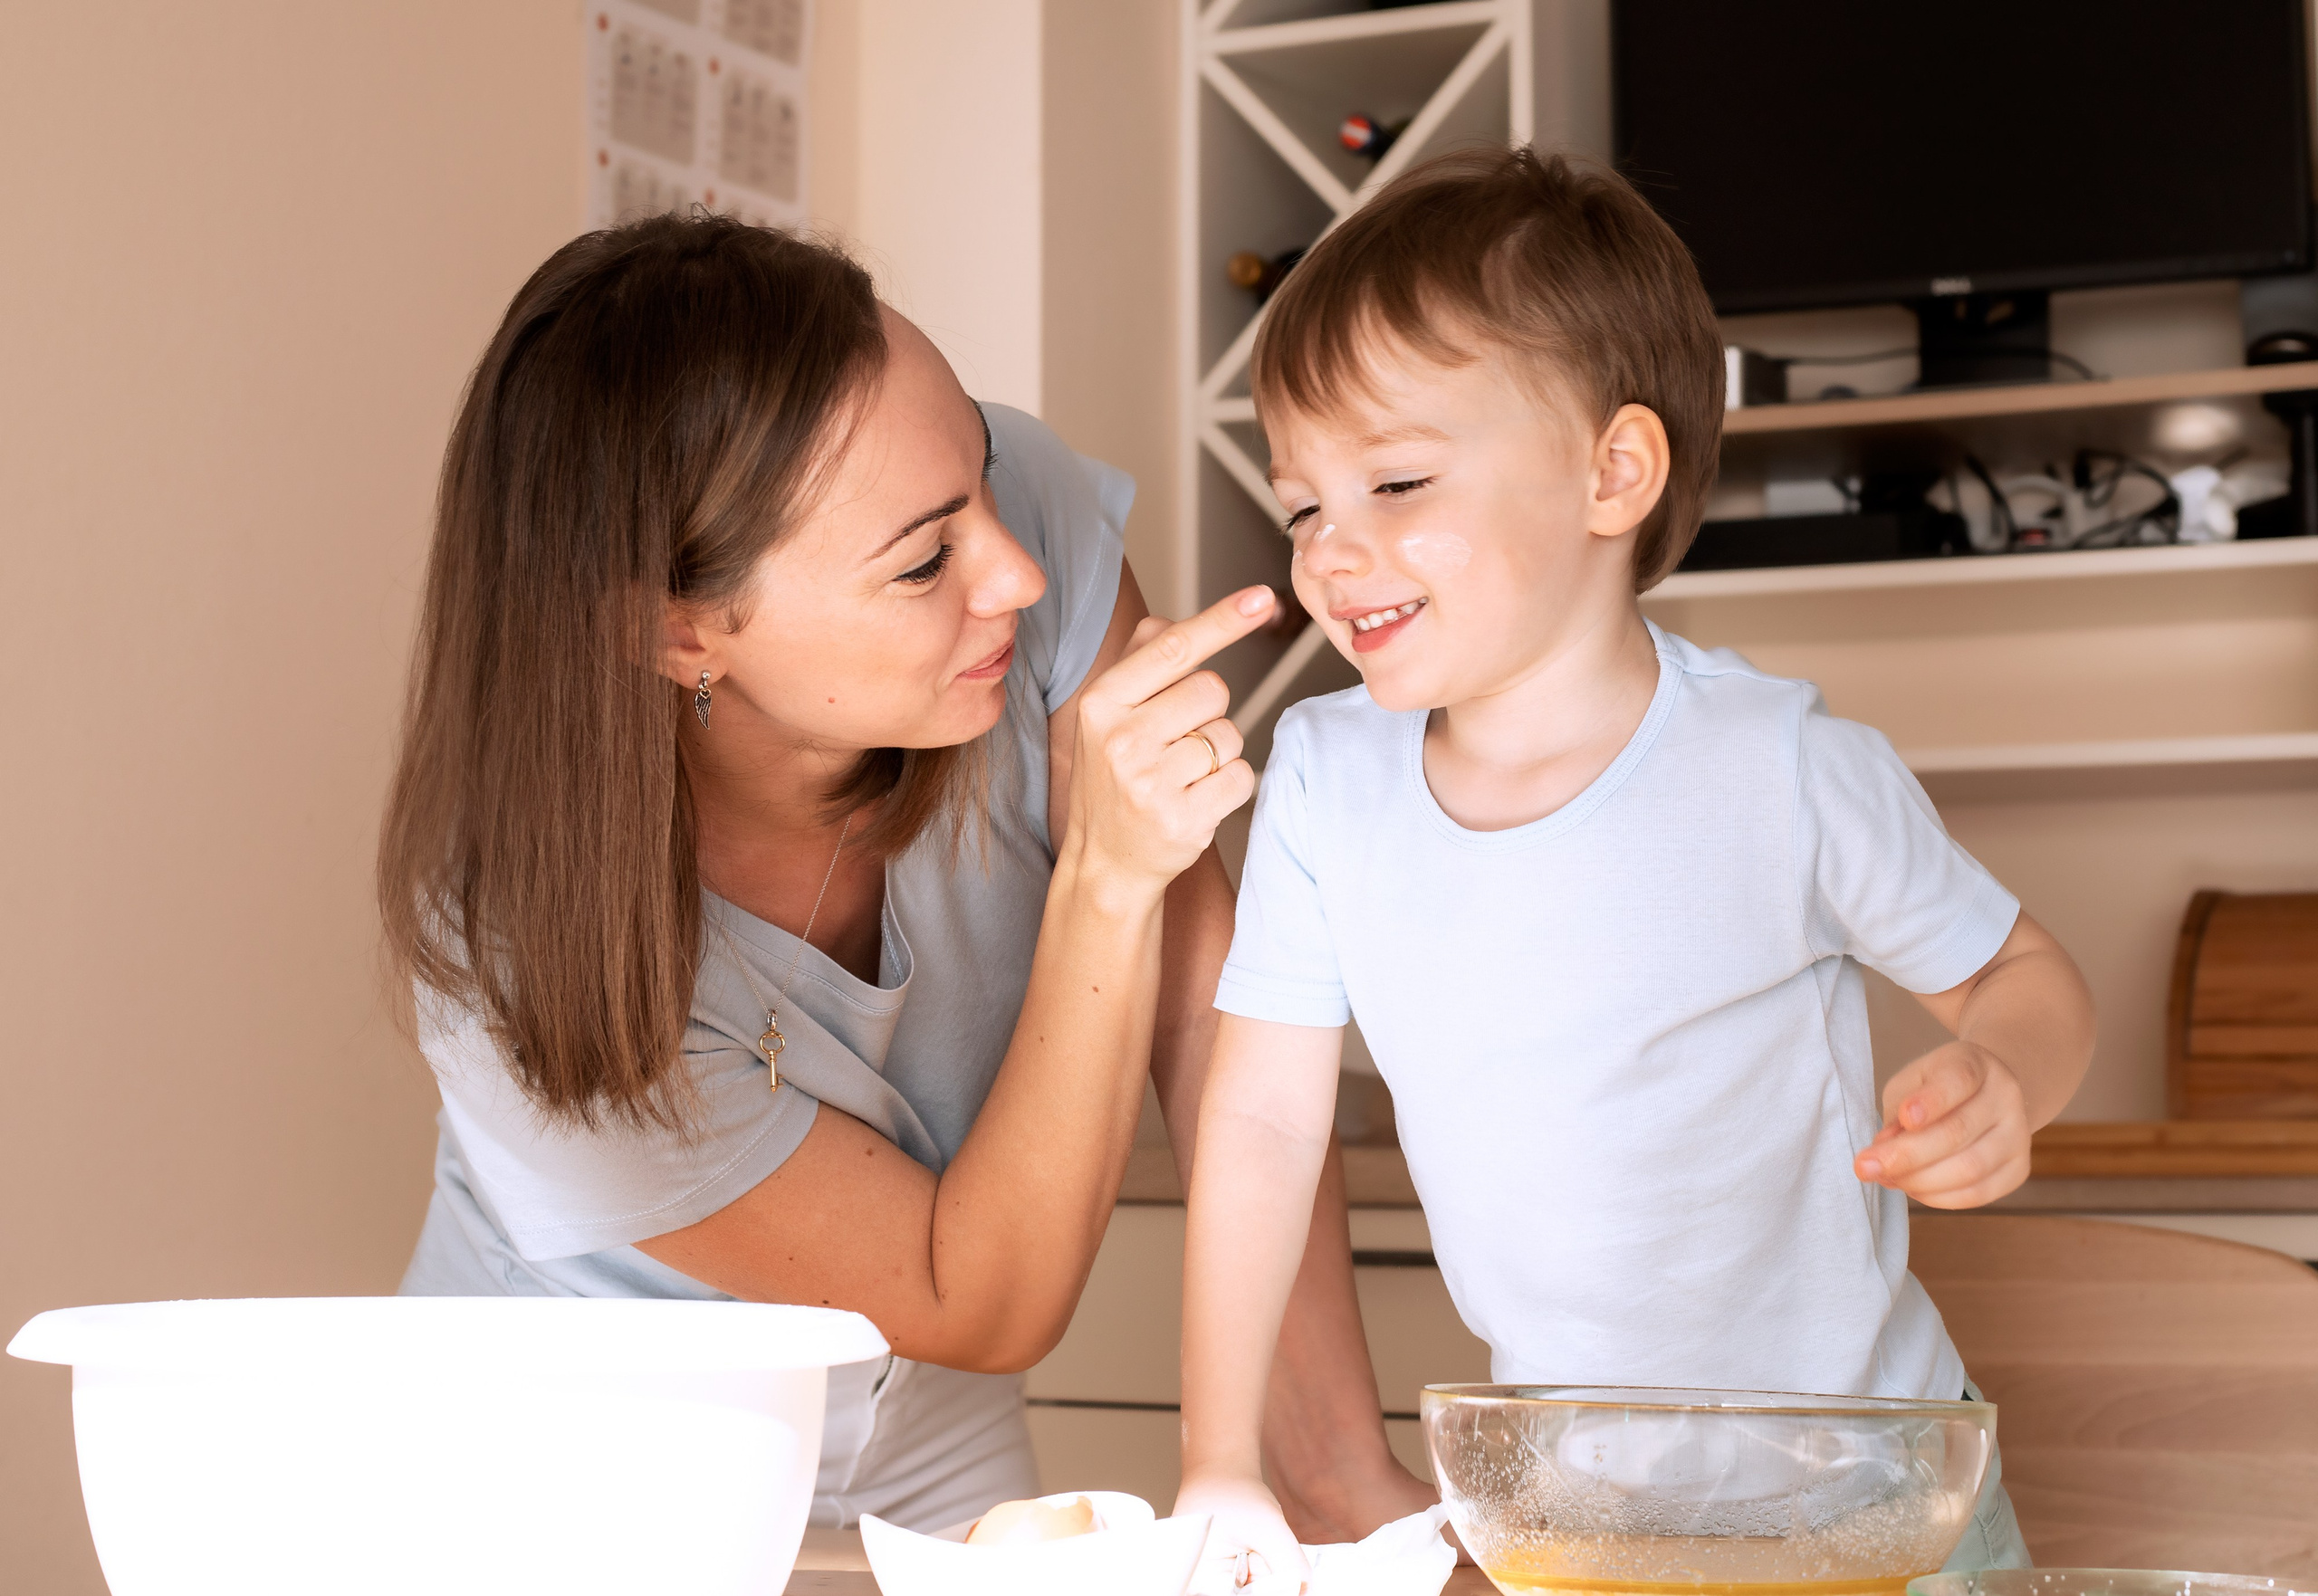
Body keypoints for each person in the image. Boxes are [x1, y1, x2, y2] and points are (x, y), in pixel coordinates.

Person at [378, 214, 1435, 1533]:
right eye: (927, 559)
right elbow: (974, 1294)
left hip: (930, 1439)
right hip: (568, 1465)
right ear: (677, 627)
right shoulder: (510, 958)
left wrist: (1332, 1467)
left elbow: (1208, 1018)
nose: (1018, 569)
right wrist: (1104, 886)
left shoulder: (1010, 540)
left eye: (984, 480)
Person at [1173, 148, 2097, 1584]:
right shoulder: (1325, 781)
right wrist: (1219, 1456)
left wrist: (2012, 1079)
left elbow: (2023, 976)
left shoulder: (1779, 766)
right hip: (1580, 1513)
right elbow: (1262, 1131)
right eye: (1302, 505)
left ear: (1615, 471)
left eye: (1398, 479)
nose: (1331, 555)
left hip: (1871, 1492)